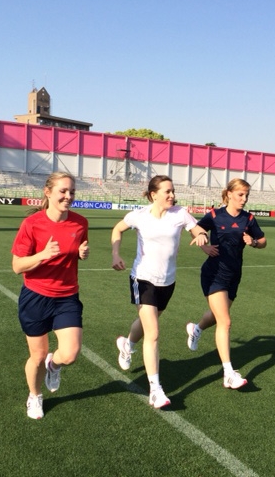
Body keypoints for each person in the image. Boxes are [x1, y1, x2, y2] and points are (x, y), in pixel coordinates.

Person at [112, 175, 208, 408]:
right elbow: (118, 229)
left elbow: (198, 230)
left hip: (168, 281)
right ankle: (155, 389)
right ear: (154, 194)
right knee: (153, 332)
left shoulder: (180, 213)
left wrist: (202, 235)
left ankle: (127, 344)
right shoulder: (139, 216)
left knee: (147, 325)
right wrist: (116, 254)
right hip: (142, 279)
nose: (172, 195)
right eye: (167, 191)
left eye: (173, 191)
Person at [11, 172, 90, 419]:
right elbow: (17, 266)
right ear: (48, 193)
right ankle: (34, 396)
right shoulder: (32, 224)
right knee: (37, 355)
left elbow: (76, 248)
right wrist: (42, 255)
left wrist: (80, 254)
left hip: (67, 297)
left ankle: (53, 366)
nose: (68, 196)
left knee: (70, 353)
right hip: (35, 297)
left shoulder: (80, 223)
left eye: (72, 192)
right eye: (63, 191)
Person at [185, 179, 267, 389]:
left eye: (246, 195)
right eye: (240, 194)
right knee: (226, 321)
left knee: (216, 316)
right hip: (213, 274)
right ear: (229, 194)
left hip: (234, 275)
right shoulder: (214, 215)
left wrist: (254, 243)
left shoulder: (248, 218)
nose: (244, 199)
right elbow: (196, 230)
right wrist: (204, 247)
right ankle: (229, 373)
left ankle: (196, 329)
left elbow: (263, 241)